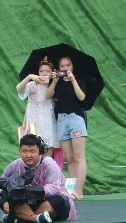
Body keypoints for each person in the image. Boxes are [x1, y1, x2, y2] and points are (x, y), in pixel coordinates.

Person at [0, 134, 73, 223]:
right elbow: (2, 184)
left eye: (32, 151)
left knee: (61, 200)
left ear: (40, 151)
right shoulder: (14, 165)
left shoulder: (49, 164)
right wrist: (10, 192)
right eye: (24, 151)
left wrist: (29, 192)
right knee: (4, 199)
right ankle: (36, 218)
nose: (28, 155)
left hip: (48, 203)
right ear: (20, 151)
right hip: (27, 205)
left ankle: (21, 218)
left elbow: (54, 188)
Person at [52, 54, 91, 200]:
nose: (65, 68)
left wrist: (73, 80)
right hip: (61, 120)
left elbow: (82, 97)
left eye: (68, 65)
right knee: (69, 158)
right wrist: (55, 81)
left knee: (79, 156)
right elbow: (49, 95)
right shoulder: (58, 82)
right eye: (62, 66)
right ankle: (72, 190)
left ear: (72, 66)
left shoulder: (79, 80)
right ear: (58, 68)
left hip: (76, 119)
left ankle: (79, 191)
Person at [17, 61, 56, 151]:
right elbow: (19, 89)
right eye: (41, 71)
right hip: (34, 122)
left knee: (48, 149)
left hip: (49, 124)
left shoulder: (53, 86)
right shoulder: (33, 85)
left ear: (52, 73)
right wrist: (29, 77)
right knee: (34, 149)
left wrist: (54, 82)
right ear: (38, 73)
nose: (44, 73)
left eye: (48, 71)